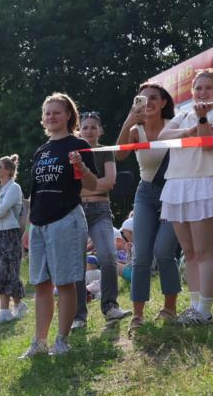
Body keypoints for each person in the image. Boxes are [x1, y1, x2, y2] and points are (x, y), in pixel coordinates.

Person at [20, 93, 99, 358]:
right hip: (39, 223)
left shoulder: (78, 145)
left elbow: (91, 185)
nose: (51, 116)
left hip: (66, 219)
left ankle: (62, 341)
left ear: (68, 115)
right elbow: (36, 191)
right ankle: (39, 342)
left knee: (65, 282)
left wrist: (81, 167)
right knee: (42, 284)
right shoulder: (41, 150)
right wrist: (28, 227)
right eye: (47, 112)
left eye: (57, 112)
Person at [157, 69, 213, 324]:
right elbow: (161, 137)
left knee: (204, 251)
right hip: (178, 184)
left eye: (208, 88)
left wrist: (201, 124)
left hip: (206, 183)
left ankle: (205, 309)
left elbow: (208, 144)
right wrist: (191, 128)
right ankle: (194, 308)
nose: (202, 93)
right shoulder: (182, 114)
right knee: (189, 252)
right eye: (198, 88)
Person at [116, 83, 181, 332]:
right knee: (141, 255)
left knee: (164, 251)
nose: (149, 103)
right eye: (142, 99)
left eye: (154, 98)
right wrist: (128, 120)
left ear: (164, 102)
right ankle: (138, 315)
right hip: (145, 193)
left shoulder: (175, 126)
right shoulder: (135, 129)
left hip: (172, 191)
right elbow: (120, 155)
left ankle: (169, 309)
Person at [72, 112, 129, 328]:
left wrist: (85, 186)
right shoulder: (73, 153)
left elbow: (110, 182)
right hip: (76, 210)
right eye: (84, 127)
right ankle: (78, 315)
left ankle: (110, 306)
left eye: (93, 127)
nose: (88, 131)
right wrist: (97, 183)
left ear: (100, 130)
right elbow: (76, 187)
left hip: (101, 210)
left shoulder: (105, 152)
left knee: (107, 255)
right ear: (79, 130)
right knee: (77, 262)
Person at [0, 155, 27, 324]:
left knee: (8, 269)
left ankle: (5, 310)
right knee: (1, 269)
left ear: (9, 171)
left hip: (9, 233)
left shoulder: (14, 188)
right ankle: (18, 306)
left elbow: (0, 210)